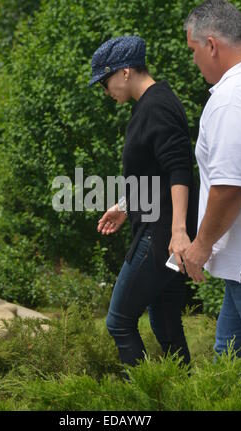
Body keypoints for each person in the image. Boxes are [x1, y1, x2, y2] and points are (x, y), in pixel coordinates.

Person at [89, 36, 198, 371]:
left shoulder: (156, 105)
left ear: (124, 72)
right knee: (164, 321)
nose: (105, 91)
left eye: (104, 82)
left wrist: (179, 233)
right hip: (160, 229)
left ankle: (143, 400)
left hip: (161, 234)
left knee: (119, 321)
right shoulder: (151, 104)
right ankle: (184, 398)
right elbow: (156, 171)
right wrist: (125, 205)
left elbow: (180, 168)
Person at [183, 0, 241, 384]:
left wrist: (201, 245)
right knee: (229, 368)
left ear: (211, 45)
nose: (194, 62)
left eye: (193, 51)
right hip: (240, 268)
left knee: (237, 374)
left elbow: (229, 187)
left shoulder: (231, 99)